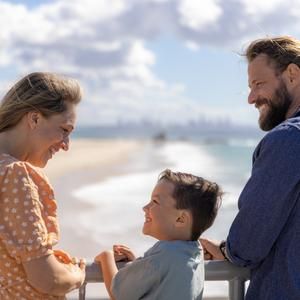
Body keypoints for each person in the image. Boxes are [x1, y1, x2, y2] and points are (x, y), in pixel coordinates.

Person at [201, 36, 300, 299]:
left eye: (258, 84)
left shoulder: (288, 139)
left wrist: (229, 250)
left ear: (292, 75)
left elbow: (248, 245)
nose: (251, 98)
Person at [0, 72, 86, 299]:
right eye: (64, 130)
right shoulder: (14, 174)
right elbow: (48, 279)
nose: (66, 145)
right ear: (35, 119)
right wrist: (78, 272)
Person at [95, 169, 222, 300]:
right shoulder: (195, 252)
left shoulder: (165, 255)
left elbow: (118, 293)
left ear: (181, 219)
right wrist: (138, 265)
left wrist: (106, 257)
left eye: (155, 202)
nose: (145, 207)